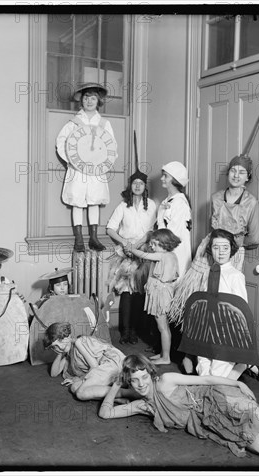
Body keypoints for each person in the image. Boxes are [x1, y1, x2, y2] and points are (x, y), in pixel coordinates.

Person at [98, 354, 259, 457]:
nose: (141, 384)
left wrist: (238, 383)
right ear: (128, 381)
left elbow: (205, 380)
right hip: (209, 420)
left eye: (144, 377)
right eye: (134, 380)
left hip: (218, 398)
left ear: (150, 373)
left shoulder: (165, 380)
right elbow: (106, 413)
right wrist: (115, 384)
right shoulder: (143, 406)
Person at [56, 82, 117, 252]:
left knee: (94, 201)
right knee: (77, 201)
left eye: (93, 98)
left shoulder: (104, 124)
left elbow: (111, 147)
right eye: (86, 97)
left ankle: (94, 238)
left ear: (98, 101)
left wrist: (103, 163)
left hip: (96, 169)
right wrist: (71, 159)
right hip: (78, 169)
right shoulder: (74, 122)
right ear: (81, 101)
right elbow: (61, 142)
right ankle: (79, 239)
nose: (89, 101)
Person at [106, 169, 157, 345]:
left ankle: (136, 330)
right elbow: (110, 228)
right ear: (130, 186)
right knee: (127, 292)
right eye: (134, 183)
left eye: (141, 183)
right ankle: (125, 331)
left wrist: (136, 246)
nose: (137, 186)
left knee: (139, 292)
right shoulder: (123, 206)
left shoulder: (151, 205)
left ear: (145, 187)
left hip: (143, 252)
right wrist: (125, 243)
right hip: (126, 254)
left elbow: (151, 231)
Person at [193, 228, 250, 380]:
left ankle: (241, 366)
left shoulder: (236, 276)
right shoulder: (208, 272)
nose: (221, 252)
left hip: (225, 329)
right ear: (210, 249)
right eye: (216, 247)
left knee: (217, 373)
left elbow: (241, 307)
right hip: (206, 325)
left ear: (232, 249)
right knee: (203, 363)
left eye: (225, 248)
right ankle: (207, 386)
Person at [124, 229, 181, 366]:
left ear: (164, 243)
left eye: (155, 244)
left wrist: (131, 248)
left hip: (161, 294)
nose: (152, 247)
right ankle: (163, 353)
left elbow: (144, 255)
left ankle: (166, 357)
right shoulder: (169, 255)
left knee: (162, 327)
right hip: (160, 291)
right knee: (163, 326)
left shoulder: (164, 256)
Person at [43, 322, 133, 401]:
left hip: (111, 364)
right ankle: (117, 398)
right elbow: (54, 373)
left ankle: (129, 393)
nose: (58, 348)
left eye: (60, 341)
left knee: (79, 391)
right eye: (54, 347)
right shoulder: (68, 355)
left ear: (68, 337)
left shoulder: (78, 342)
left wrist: (80, 378)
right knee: (74, 388)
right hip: (102, 372)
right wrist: (59, 352)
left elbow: (94, 367)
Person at [210, 155, 259, 272]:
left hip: (233, 254)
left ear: (248, 177)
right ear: (228, 173)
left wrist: (231, 244)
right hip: (212, 251)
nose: (236, 175)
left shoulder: (251, 203)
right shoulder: (216, 198)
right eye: (233, 170)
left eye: (242, 172)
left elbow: (254, 239)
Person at [157, 161, 192, 278]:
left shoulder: (180, 203)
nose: (162, 178)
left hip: (176, 253)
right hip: (166, 251)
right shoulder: (167, 201)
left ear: (175, 180)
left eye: (165, 176)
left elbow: (172, 237)